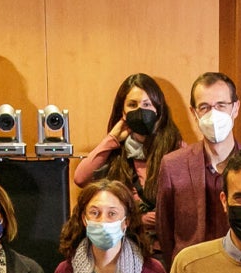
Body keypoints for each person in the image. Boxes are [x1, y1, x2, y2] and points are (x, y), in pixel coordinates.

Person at [155, 70, 241, 256]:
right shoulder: (173, 166)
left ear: (235, 108)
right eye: (204, 107)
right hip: (193, 272)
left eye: (221, 105)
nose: (213, 114)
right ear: (194, 113)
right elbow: (165, 232)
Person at [70, 74, 182, 236]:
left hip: (165, 244)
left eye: (146, 104)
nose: (140, 110)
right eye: (132, 105)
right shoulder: (116, 150)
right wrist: (112, 139)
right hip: (125, 240)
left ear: (158, 109)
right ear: (122, 111)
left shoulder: (175, 148)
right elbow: (80, 178)